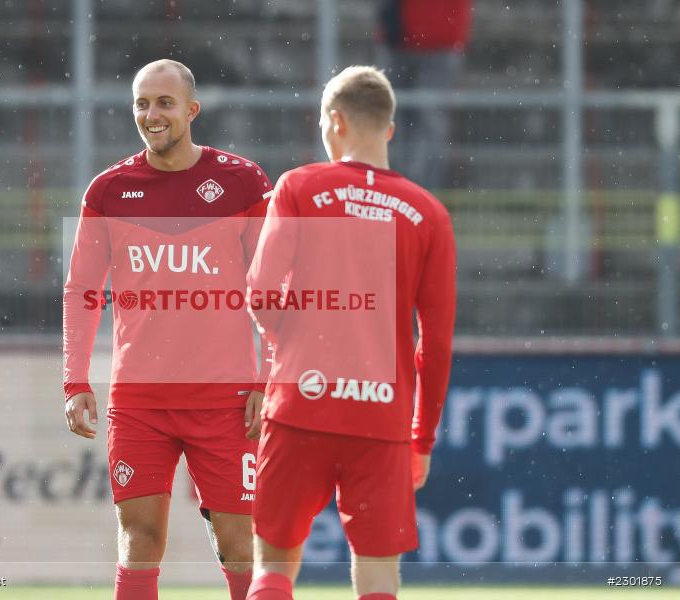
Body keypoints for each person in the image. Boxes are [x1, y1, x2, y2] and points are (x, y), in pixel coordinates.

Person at [63, 59, 273, 600]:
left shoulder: (243, 182)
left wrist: (266, 378)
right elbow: (82, 290)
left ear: (191, 110)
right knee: (139, 538)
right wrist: (76, 380)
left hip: (226, 399)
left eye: (164, 103)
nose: (151, 115)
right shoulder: (108, 191)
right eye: (141, 103)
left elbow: (277, 290)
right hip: (139, 400)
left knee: (240, 546)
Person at [244, 66, 456, 600]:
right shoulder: (429, 215)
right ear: (389, 129)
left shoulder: (299, 186)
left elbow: (262, 293)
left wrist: (289, 346)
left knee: (272, 565)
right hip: (380, 414)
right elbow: (436, 341)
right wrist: (421, 437)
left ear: (334, 122)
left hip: (300, 402)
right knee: (379, 575)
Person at [376, 0, 472, 189]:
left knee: (428, 122)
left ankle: (420, 191)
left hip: (437, 40)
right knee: (390, 118)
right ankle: (393, 188)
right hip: (399, 35)